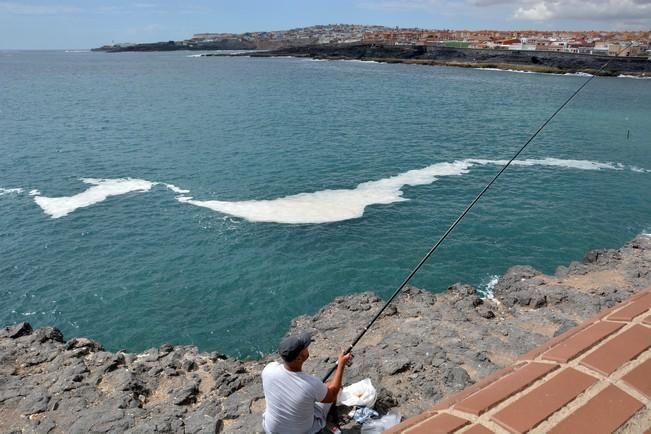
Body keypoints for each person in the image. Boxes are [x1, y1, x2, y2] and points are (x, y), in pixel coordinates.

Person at [261, 331, 352, 434]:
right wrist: (341, 365)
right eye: (305, 347)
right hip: (303, 431)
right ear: (299, 357)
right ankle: (332, 419)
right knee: (332, 386)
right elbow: (332, 394)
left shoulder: (268, 369)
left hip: (271, 430)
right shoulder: (311, 384)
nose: (307, 347)